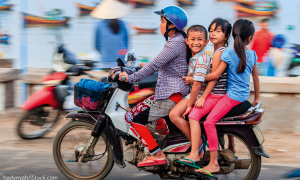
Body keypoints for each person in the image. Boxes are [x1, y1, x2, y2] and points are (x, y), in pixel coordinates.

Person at [118, 6, 189, 167]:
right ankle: (163, 141)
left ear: (172, 25)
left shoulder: (174, 43)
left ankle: (157, 154)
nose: (159, 25)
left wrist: (131, 77)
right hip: (174, 92)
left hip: (170, 95)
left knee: (131, 118)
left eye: (162, 21)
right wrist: (144, 65)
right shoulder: (178, 40)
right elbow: (161, 64)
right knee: (145, 106)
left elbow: (155, 64)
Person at [194, 19, 260, 178]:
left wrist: (194, 78)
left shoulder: (228, 53)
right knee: (220, 117)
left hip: (231, 98)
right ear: (249, 38)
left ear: (232, 35)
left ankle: (214, 163)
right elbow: (256, 79)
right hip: (242, 97)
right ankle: (231, 144)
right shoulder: (252, 54)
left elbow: (215, 76)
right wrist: (256, 98)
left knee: (209, 121)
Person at [173, 18, 232, 165]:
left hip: (212, 94)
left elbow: (213, 78)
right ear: (187, 40)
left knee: (190, 116)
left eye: (218, 31)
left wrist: (199, 93)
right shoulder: (215, 52)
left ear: (227, 35)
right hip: (210, 93)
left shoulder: (216, 54)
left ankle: (196, 149)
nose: (213, 34)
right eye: (211, 30)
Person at [169, 25, 210, 143]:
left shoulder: (201, 59)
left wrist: (189, 105)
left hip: (197, 94)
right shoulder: (193, 56)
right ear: (186, 41)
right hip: (192, 92)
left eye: (200, 39)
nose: (196, 43)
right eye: (192, 39)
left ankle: (196, 144)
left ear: (206, 41)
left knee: (174, 115)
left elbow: (197, 84)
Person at [91, 0, 130, 69]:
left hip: (105, 63)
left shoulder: (99, 25)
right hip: (122, 64)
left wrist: (106, 53)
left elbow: (96, 46)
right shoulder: (123, 24)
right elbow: (126, 44)